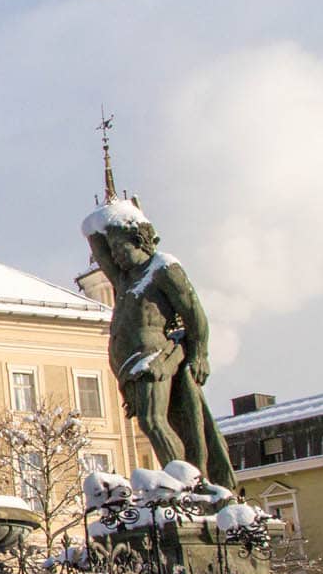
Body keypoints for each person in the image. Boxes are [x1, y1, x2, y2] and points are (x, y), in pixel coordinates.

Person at [83, 201, 236, 490]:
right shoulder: (126, 280)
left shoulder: (162, 268)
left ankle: (186, 484)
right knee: (152, 423)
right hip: (131, 365)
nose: (116, 256)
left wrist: (200, 354)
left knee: (153, 422)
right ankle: (184, 479)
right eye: (113, 249)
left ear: (141, 242)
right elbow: (97, 245)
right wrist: (100, 225)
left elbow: (195, 313)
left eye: (121, 248)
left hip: (155, 359)